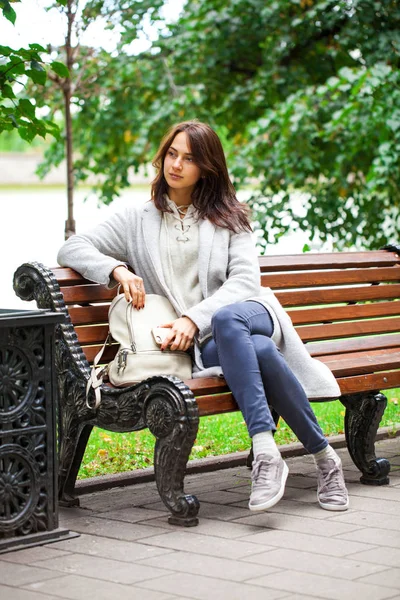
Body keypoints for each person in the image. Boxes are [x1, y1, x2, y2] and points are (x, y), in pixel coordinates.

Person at [57, 120, 349, 513]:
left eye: (189, 158)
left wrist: (192, 320)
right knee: (259, 352)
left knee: (231, 322)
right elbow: (73, 247)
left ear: (207, 167)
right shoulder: (136, 220)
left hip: (251, 313)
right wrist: (118, 271)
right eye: (172, 154)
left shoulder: (231, 217)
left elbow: (245, 283)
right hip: (212, 345)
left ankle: (265, 454)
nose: (175, 164)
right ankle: (324, 458)